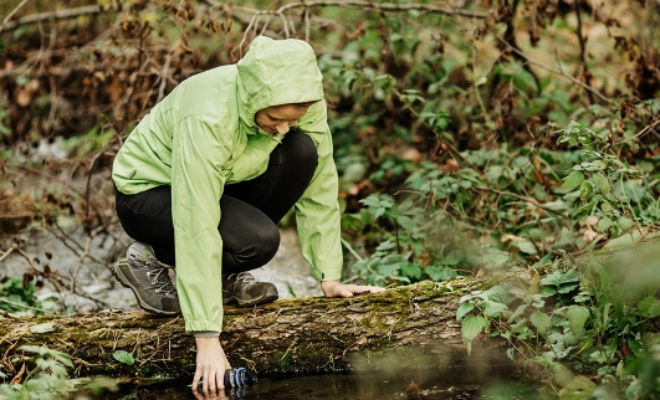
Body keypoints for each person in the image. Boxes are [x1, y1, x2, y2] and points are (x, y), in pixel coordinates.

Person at [111, 35, 384, 397]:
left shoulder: (302, 102)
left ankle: (222, 275)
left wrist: (329, 276)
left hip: (225, 179)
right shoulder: (209, 115)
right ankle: (151, 258)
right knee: (259, 241)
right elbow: (197, 220)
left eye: (293, 118)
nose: (283, 127)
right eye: (274, 118)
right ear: (257, 98)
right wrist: (207, 336)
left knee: (302, 151)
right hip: (148, 194)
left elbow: (320, 184)